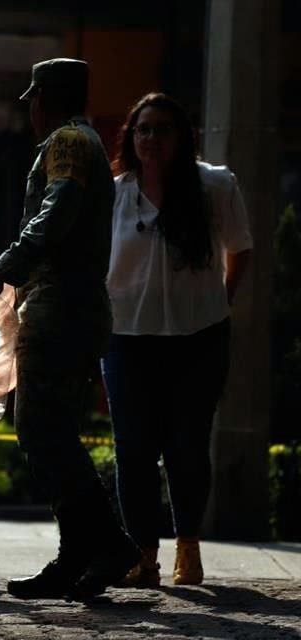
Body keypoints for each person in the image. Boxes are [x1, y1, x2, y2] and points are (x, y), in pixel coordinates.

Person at [0, 58, 139, 600]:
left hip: (60, 304)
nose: (29, 111)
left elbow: (55, 212)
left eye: (32, 99)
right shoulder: (83, 141)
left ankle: (107, 546)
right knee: (54, 434)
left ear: (45, 97)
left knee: (41, 432)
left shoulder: (68, 141)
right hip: (74, 305)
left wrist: (6, 268)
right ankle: (79, 555)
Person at [102, 93, 252, 587]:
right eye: (143, 129)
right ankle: (143, 555)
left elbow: (240, 250)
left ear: (182, 137)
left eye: (162, 129)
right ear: (131, 135)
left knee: (188, 446)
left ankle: (188, 545)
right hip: (127, 339)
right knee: (134, 451)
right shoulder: (115, 193)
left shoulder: (215, 184)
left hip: (199, 337)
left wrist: (220, 303)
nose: (151, 138)